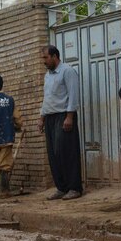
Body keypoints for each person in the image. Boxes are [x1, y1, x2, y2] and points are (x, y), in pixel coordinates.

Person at [38, 45, 82, 201]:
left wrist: (69, 117)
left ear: (55, 56)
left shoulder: (68, 71)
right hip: (50, 117)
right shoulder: (47, 75)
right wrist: (42, 118)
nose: (44, 61)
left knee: (66, 152)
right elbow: (47, 97)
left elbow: (73, 95)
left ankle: (74, 188)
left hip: (64, 116)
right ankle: (61, 187)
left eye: (45, 58)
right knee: (53, 154)